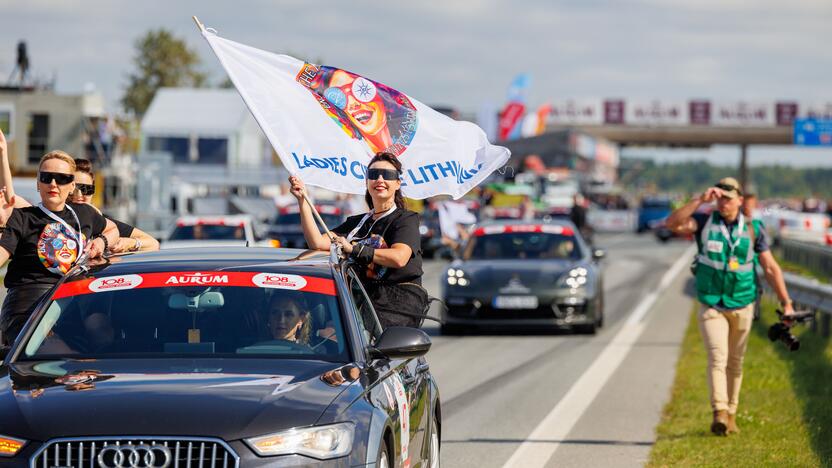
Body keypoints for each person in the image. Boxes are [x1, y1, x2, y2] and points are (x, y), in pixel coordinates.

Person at [666, 177, 794, 436]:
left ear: (739, 200)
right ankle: (719, 412)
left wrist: (786, 302)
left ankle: (732, 414)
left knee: (735, 363)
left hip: (743, 302)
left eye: (728, 197)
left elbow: (770, 268)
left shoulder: (753, 229)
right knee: (717, 356)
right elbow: (673, 224)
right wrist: (699, 201)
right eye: (719, 197)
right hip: (712, 303)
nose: (723, 202)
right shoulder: (704, 222)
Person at [289, 152, 425, 328]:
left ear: (397, 183)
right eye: (374, 175)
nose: (380, 179)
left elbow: (399, 257)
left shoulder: (405, 219)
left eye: (388, 175)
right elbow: (316, 242)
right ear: (367, 182)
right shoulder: (356, 223)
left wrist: (354, 249)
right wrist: (303, 201)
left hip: (394, 313)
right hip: (358, 306)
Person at [0, 151, 118, 344]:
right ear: (38, 183)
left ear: (72, 185)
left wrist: (102, 242)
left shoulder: (85, 214)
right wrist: (2, 224)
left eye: (62, 178)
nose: (53, 184)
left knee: (95, 352)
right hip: (28, 308)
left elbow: (112, 228)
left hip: (69, 307)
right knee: (57, 356)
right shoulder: (22, 217)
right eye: (46, 177)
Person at [70, 159, 159, 253]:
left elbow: (153, 244)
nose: (79, 195)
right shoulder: (55, 218)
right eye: (73, 188)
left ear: (93, 192)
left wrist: (130, 243)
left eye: (86, 189)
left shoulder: (106, 223)